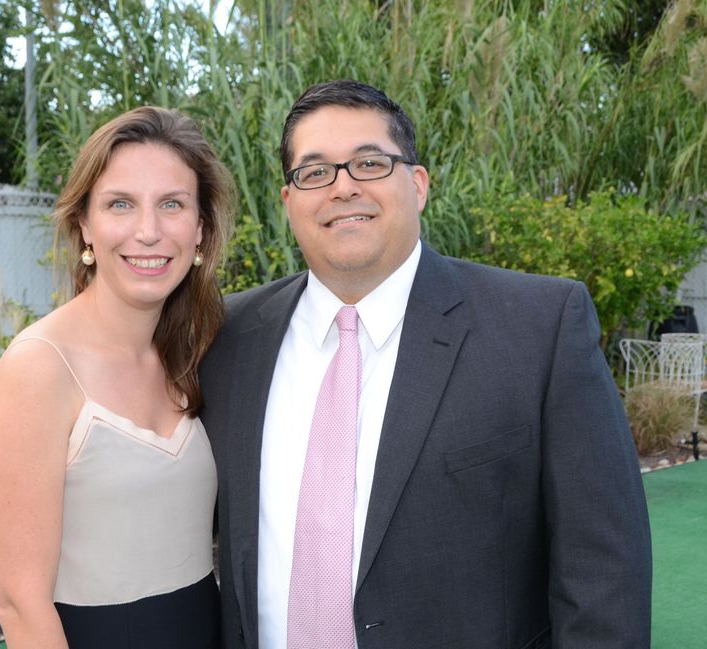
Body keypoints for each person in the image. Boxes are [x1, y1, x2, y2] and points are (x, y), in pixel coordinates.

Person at [199, 80, 652, 649]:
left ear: (417, 185)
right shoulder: (227, 336)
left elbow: (605, 571)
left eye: (368, 162)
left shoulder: (541, 328)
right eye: (314, 172)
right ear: (289, 201)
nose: (342, 188)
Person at [0, 106, 234, 649]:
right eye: (121, 204)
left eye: (172, 204)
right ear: (85, 226)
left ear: (200, 230)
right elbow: (19, 602)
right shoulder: (40, 366)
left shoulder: (195, 352)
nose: (148, 231)